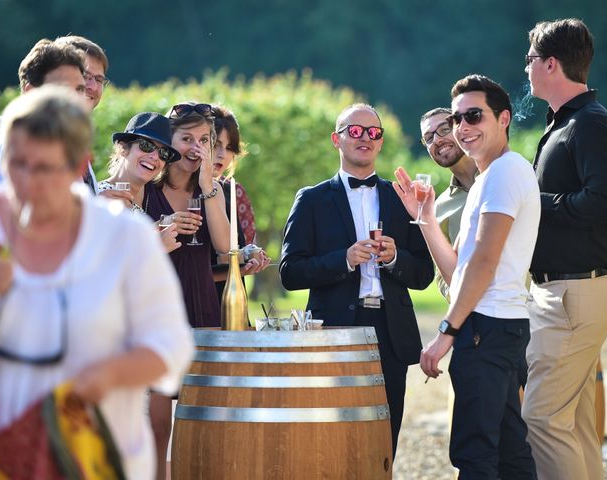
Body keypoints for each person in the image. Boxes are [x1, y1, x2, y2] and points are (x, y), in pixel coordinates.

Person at [0, 85, 194, 479]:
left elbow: (172, 348)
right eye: (17, 163)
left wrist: (108, 375)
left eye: (44, 167)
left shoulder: (125, 236)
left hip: (96, 455)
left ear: (79, 165)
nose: (28, 181)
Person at [394, 75, 539, 478]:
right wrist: (424, 219)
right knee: (510, 451)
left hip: (487, 328)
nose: (462, 127)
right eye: (458, 118)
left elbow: (483, 264)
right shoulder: (487, 179)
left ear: (504, 118)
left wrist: (447, 331)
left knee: (474, 455)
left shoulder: (504, 174)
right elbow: (459, 268)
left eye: (473, 115)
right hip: (496, 326)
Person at [280, 103, 434, 456]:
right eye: (355, 131)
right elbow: (290, 272)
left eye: (373, 132)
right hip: (334, 331)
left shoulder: (401, 200)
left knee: (385, 437)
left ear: (380, 143)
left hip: (390, 330)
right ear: (337, 139)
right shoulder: (312, 199)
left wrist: (395, 258)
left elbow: (424, 273)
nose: (365, 137)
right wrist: (344, 260)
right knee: (332, 438)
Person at [521, 19, 607, 480]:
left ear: (549, 64)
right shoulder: (571, 122)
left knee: (541, 419)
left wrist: (536, 204)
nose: (525, 69)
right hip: (571, 292)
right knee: (577, 426)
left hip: (574, 293)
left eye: (530, 60)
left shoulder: (588, 124)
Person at [142, 101, 230, 479]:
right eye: (187, 138)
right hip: (157, 314)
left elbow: (226, 247)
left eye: (205, 140)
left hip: (201, 308)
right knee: (157, 425)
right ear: (169, 141)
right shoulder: (146, 189)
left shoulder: (213, 190)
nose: (197, 148)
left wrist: (210, 185)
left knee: (201, 425)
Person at [0, 39, 86, 188]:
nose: (74, 99)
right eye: (63, 89)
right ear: (31, 92)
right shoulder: (14, 146)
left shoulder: (57, 140)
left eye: (79, 89)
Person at [99, 112, 182, 252]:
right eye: (146, 145)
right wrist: (155, 247)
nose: (155, 157)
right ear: (123, 148)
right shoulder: (99, 197)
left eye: (164, 153)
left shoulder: (139, 205)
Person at [211, 105, 270, 300]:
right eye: (215, 144)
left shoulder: (233, 191)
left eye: (229, 148)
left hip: (229, 299)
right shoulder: (171, 191)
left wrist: (250, 254)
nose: (222, 155)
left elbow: (235, 251)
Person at [419, 107, 477, 299]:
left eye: (444, 129)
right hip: (471, 316)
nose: (436, 140)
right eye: (428, 138)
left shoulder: (501, 175)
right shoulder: (439, 207)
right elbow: (441, 275)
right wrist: (461, 299)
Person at [53, 35, 111, 196]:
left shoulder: (70, 136)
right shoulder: (30, 140)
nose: (91, 86)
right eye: (85, 76)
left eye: (99, 79)